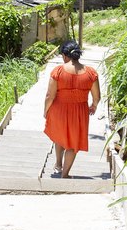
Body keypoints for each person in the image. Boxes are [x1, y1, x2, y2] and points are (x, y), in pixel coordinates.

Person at [43, 40, 101, 178]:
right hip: (79, 111)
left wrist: (46, 110)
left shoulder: (58, 71)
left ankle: (58, 164)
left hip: (59, 109)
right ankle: (65, 174)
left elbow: (50, 95)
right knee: (73, 143)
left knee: (59, 135)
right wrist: (93, 106)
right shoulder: (91, 73)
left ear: (64, 55)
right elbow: (97, 96)